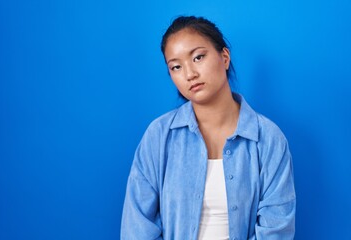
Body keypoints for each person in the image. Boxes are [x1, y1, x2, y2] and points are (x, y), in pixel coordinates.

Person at [121, 16, 296, 240]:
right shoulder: (158, 136)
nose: (189, 74)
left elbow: (277, 229)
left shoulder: (268, 138)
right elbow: (137, 227)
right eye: (176, 66)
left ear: (224, 57)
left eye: (198, 57)